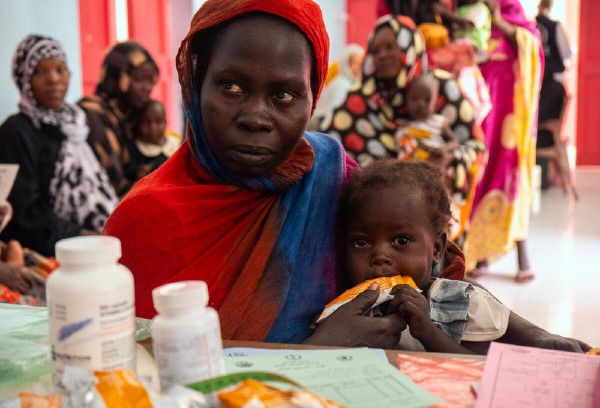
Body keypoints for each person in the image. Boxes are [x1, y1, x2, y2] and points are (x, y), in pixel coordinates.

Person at [326, 159, 590, 354]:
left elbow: (478, 369)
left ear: (438, 248)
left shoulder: (454, 302)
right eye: (361, 242)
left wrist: (428, 332)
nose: (380, 255)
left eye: (401, 240)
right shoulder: (341, 310)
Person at [320, 14, 486, 242]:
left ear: (410, 47)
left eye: (390, 47)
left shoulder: (441, 88)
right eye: (376, 50)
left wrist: (446, 160)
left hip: (438, 216)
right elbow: (330, 157)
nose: (382, 55)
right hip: (377, 227)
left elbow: (476, 147)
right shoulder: (358, 101)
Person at [0, 35, 118, 257]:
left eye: (60, 69)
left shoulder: (77, 124)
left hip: (95, 238)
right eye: (40, 72)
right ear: (24, 79)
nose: (53, 79)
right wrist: (83, 236)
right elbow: (25, 215)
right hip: (49, 251)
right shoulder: (15, 131)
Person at [464, 0, 543, 283]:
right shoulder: (474, 14)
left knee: (512, 180)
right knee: (482, 175)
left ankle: (523, 256)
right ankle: (480, 255)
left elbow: (532, 48)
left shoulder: (516, 20)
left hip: (512, 121)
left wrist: (499, 20)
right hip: (483, 115)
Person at [79, 41, 159, 197]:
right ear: (117, 77)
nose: (147, 88)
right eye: (139, 79)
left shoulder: (132, 116)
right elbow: (114, 186)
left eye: (151, 80)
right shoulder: (93, 116)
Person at [536, 0, 572, 189]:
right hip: (551, 87)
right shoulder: (555, 26)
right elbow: (568, 55)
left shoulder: (531, 26)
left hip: (542, 89)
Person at [396, 73, 459, 173]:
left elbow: (455, 141)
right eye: (414, 99)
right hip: (409, 173)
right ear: (405, 101)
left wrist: (444, 149)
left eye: (427, 100)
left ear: (436, 103)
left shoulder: (438, 122)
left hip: (435, 166)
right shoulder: (403, 127)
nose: (420, 105)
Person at [308, 44, 364, 130]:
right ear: (345, 63)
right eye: (354, 63)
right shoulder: (342, 84)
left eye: (360, 63)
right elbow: (334, 115)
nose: (358, 67)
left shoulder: (353, 84)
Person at [124, 99, 181, 183]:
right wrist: (138, 172)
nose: (152, 128)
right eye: (146, 122)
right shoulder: (134, 149)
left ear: (165, 122)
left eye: (158, 122)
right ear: (138, 123)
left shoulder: (177, 145)